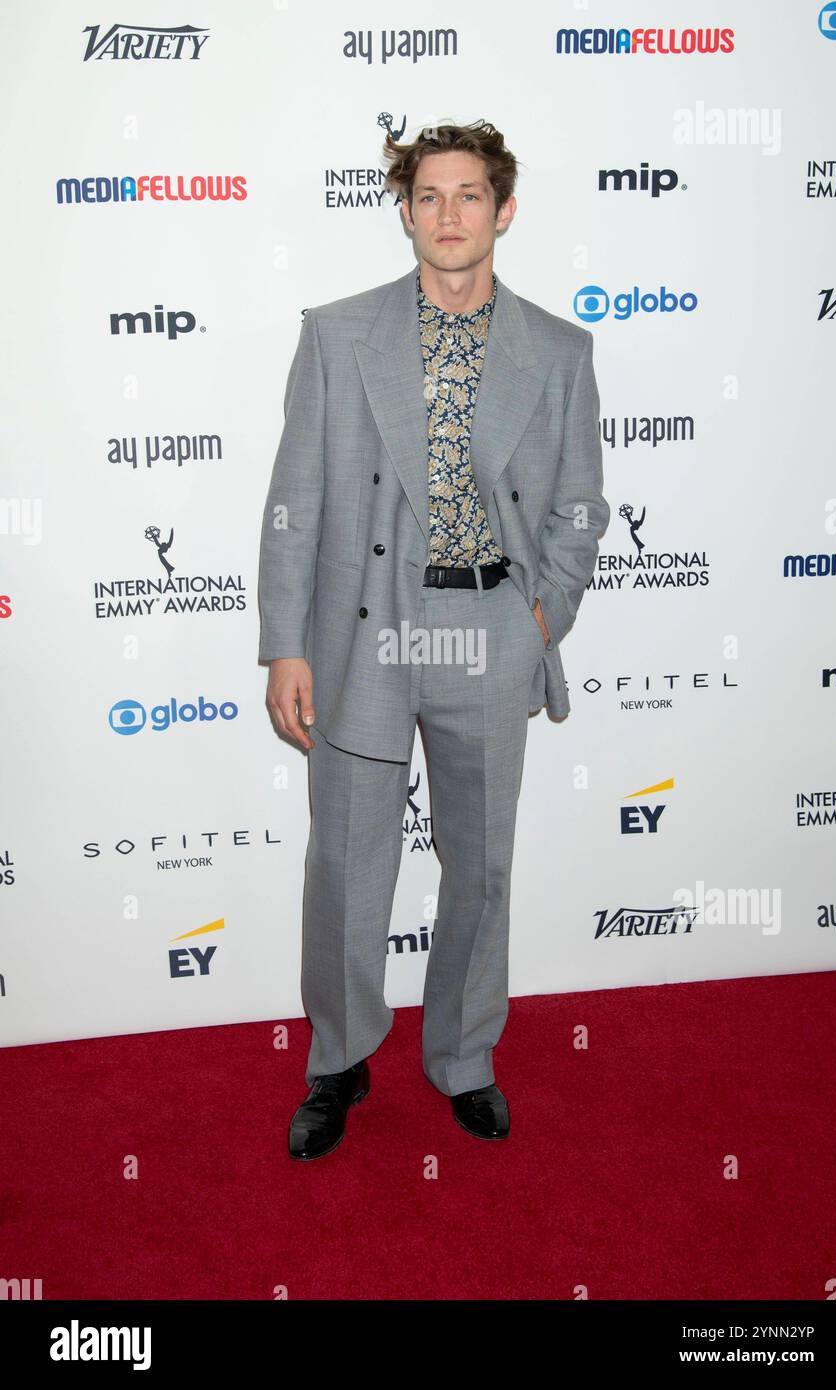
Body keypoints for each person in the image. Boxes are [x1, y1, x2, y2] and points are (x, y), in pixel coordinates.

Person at [258, 119, 610, 1160]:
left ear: (503, 210)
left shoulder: (560, 349)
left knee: (483, 864)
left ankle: (464, 1056)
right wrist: (288, 641)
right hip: (367, 630)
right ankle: (339, 1056)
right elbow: (297, 495)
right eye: (428, 196)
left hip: (492, 626)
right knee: (350, 863)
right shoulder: (337, 332)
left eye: (469, 196)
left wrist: (544, 613)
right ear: (404, 211)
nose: (448, 215)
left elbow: (581, 507)